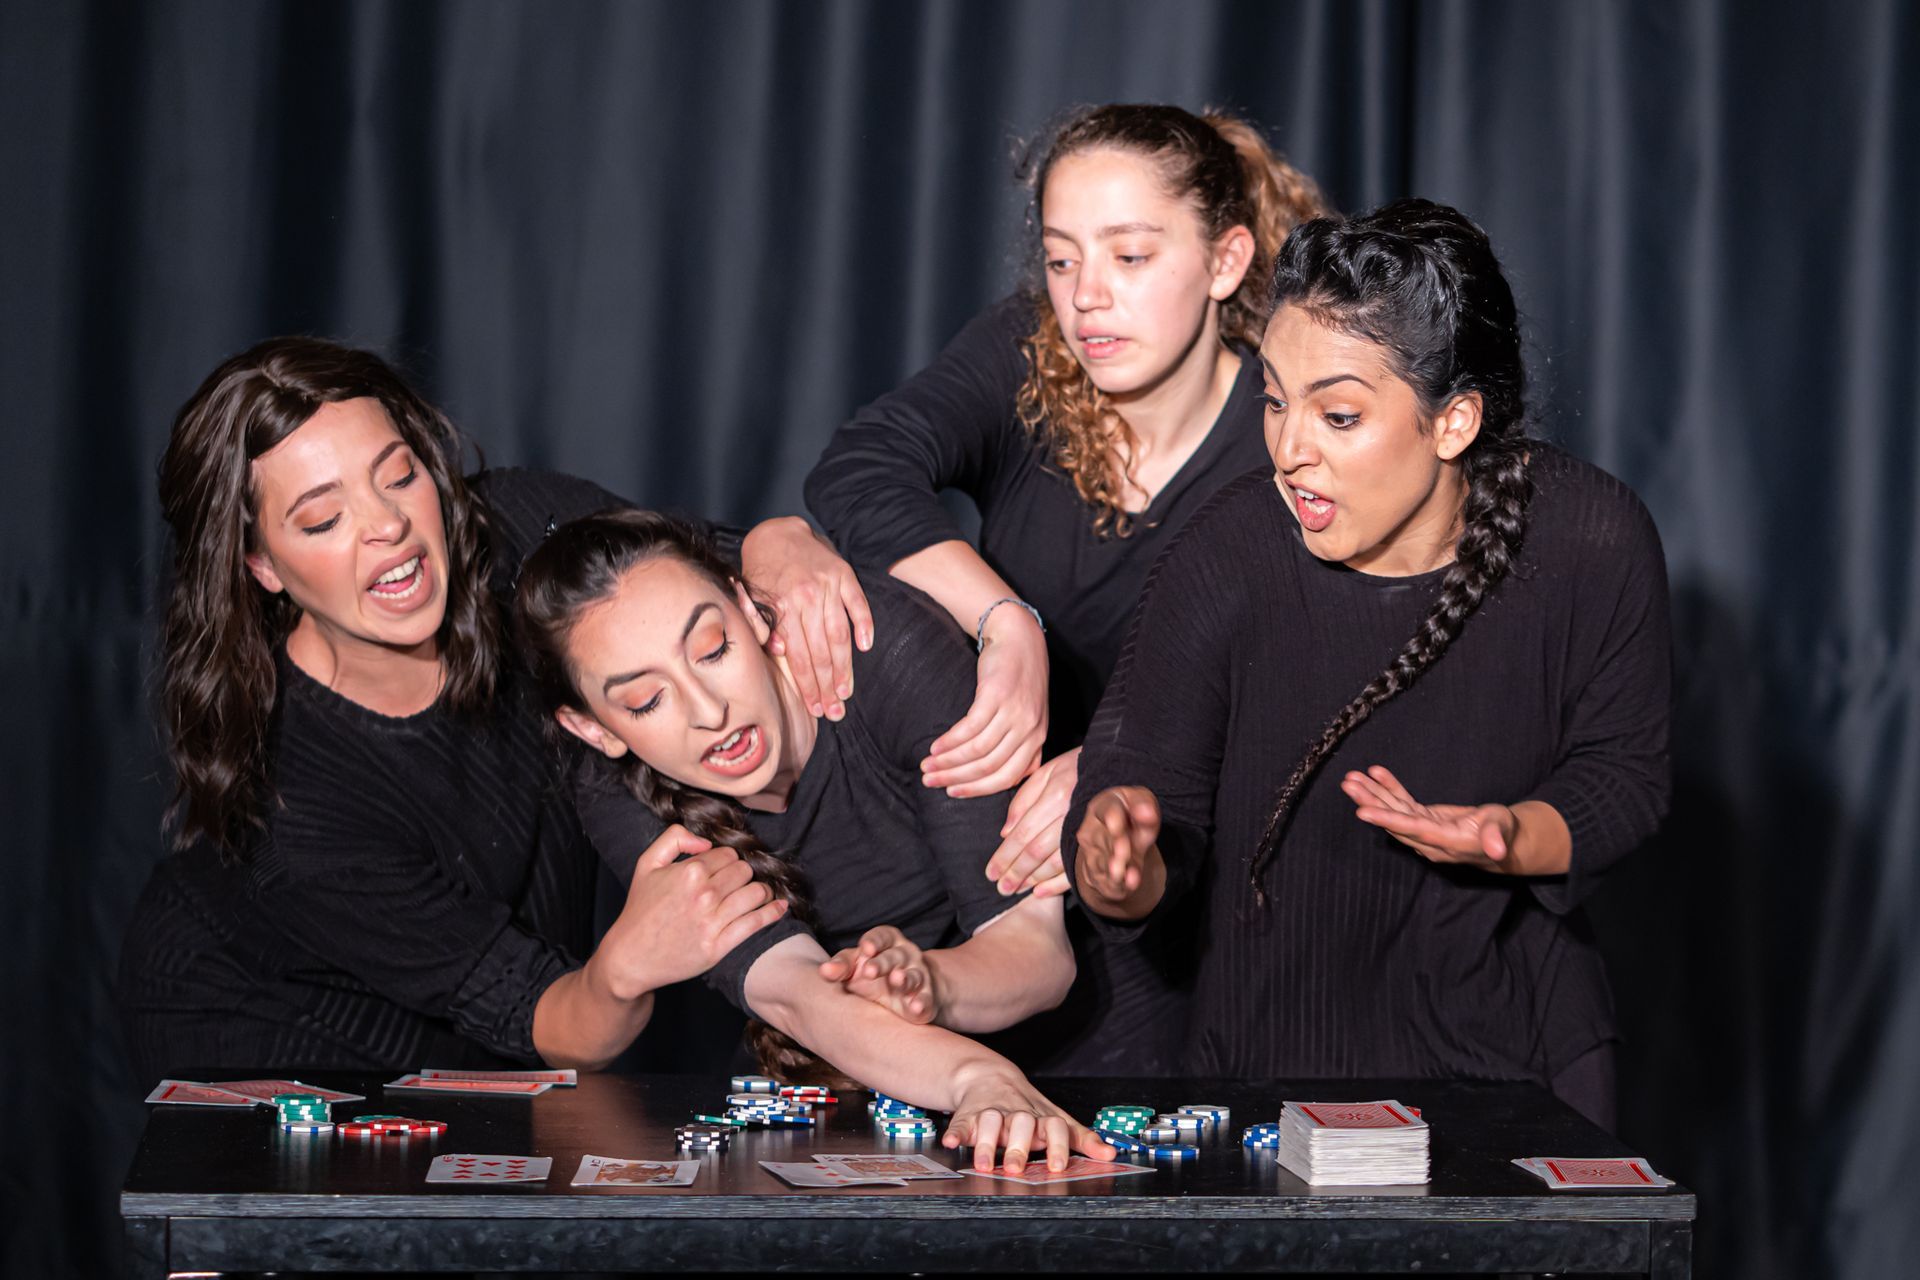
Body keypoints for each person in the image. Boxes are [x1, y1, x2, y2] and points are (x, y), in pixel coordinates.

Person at [1067, 199, 1671, 1130]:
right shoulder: (1226, 552)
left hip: (1519, 1065)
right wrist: (1118, 870)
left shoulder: (1593, 539)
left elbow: (1626, 776)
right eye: (1275, 401)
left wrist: (1511, 835)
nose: (1288, 450)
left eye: (1338, 414)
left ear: (1453, 422)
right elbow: (1144, 802)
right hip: (1267, 1072)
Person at [118, 337, 864, 1078]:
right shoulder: (294, 802)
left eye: (398, 476)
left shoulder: (519, 529)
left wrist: (780, 543)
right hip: (261, 1020)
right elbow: (554, 1021)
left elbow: (708, 571)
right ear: (261, 565)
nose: (387, 525)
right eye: (323, 520)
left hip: (500, 1025)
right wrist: (625, 968)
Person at [803, 103, 1330, 1072]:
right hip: (994, 881)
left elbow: (1316, 701)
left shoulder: (1287, 440)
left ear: (1225, 262)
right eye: (1060, 258)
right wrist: (1008, 623)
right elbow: (859, 470)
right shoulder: (1026, 353)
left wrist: (1116, 761)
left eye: (1129, 256)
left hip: (1190, 913)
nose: (1086, 297)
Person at [515, 509, 1108, 1171]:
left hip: (1070, 1044)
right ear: (596, 730)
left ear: (749, 608)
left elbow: (1036, 949)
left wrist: (931, 983)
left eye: (713, 649)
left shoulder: (883, 648)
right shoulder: (617, 790)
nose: (710, 712)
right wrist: (975, 1077)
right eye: (647, 701)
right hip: (838, 1083)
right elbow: (796, 995)